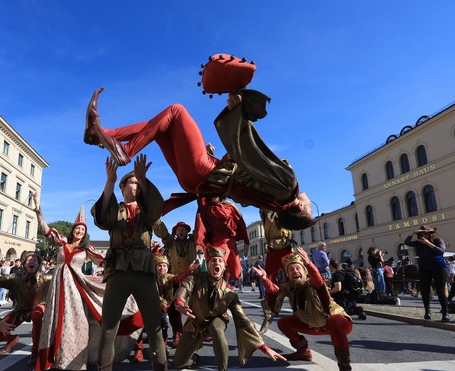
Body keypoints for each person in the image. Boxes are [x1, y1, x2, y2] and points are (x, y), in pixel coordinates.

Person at [84, 85, 315, 230]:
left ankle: (124, 150)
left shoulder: (287, 187)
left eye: (310, 209)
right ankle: (101, 135)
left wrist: (239, 114)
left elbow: (253, 153)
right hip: (196, 181)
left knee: (176, 111)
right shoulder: (271, 202)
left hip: (204, 170)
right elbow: (243, 170)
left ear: (299, 207)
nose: (310, 203)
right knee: (158, 127)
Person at [78, 154, 179, 371]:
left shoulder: (147, 211)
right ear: (123, 188)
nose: (134, 185)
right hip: (119, 270)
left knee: (156, 328)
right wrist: (109, 182)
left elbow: (155, 211)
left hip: (144, 270)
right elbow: (101, 218)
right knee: (108, 329)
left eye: (137, 182)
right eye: (130, 182)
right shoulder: (116, 209)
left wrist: (145, 180)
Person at [33, 197, 143, 371]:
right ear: (73, 230)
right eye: (78, 228)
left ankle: (73, 365)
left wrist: (125, 264)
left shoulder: (87, 250)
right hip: (57, 289)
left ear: (85, 233)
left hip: (75, 290)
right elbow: (46, 231)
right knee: (54, 322)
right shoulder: (61, 242)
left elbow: (104, 262)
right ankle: (54, 362)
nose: (80, 231)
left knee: (74, 324)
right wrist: (38, 211)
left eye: (83, 229)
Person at [173, 244, 286, 371]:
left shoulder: (230, 293)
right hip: (195, 322)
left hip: (217, 319)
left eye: (220, 261)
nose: (216, 263)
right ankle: (194, 359)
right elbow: (183, 289)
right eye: (213, 261)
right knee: (178, 362)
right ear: (208, 264)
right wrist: (180, 304)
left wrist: (263, 346)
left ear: (224, 266)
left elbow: (243, 320)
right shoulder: (195, 278)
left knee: (217, 329)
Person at [252, 247, 354, 371]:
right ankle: (303, 352)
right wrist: (264, 279)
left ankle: (345, 369)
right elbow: (275, 290)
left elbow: (318, 279)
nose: (295, 271)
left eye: (298, 268)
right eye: (291, 269)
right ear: (287, 274)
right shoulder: (289, 286)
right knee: (283, 323)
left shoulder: (312, 281)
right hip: (312, 323)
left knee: (334, 322)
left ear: (304, 271)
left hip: (335, 320)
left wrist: (308, 264)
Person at [194, 196, 249, 282]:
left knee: (236, 274)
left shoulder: (230, 207)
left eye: (217, 194)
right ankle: (222, 287)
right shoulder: (206, 208)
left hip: (230, 242)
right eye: (212, 194)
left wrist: (247, 241)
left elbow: (241, 224)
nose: (215, 196)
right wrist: (200, 246)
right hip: (215, 243)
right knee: (217, 269)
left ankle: (225, 282)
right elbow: (200, 226)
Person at [404, 226, 450, 321]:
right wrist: (413, 232)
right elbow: (406, 242)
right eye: (421, 234)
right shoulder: (418, 243)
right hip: (424, 267)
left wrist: (428, 243)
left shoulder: (438, 240)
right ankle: (427, 312)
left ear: (430, 234)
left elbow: (441, 251)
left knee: (440, 291)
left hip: (439, 267)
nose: (422, 235)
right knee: (425, 290)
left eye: (425, 233)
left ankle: (445, 313)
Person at [154, 251, 196, 348]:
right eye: (159, 266)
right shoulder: (152, 279)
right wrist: (162, 304)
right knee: (160, 322)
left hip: (170, 303)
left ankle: (176, 335)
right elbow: (153, 293)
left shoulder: (170, 277)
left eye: (164, 266)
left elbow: (178, 278)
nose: (162, 268)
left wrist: (188, 271)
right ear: (156, 267)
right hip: (157, 303)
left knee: (175, 316)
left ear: (167, 267)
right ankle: (162, 341)